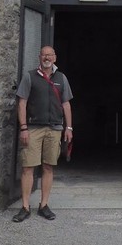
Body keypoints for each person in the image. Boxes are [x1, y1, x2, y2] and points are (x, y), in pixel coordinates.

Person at [12, 45, 73, 222]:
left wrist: (69, 128)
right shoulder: (29, 77)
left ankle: (44, 205)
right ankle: (24, 207)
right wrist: (23, 127)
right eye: (44, 55)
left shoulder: (62, 78)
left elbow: (66, 104)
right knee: (28, 167)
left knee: (48, 167)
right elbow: (22, 103)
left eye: (50, 55)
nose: (47, 57)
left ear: (55, 57)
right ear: (39, 57)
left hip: (54, 129)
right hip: (33, 128)